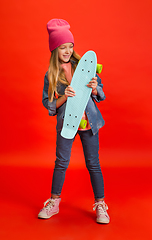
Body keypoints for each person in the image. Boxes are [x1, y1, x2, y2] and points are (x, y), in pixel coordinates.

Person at [38, 18, 110, 224]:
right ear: (55, 50)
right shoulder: (51, 74)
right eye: (63, 47)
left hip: (89, 123)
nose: (68, 51)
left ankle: (101, 204)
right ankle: (54, 202)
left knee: (93, 163)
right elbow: (48, 103)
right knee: (61, 163)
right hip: (66, 125)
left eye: (70, 46)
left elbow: (101, 94)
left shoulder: (86, 65)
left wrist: (95, 87)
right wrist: (64, 97)